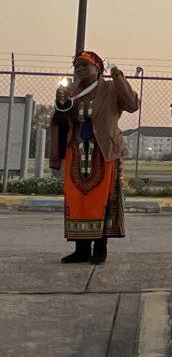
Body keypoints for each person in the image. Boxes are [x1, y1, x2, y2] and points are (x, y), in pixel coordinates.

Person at [50, 52, 138, 264]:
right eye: (77, 65)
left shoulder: (110, 88)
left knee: (104, 200)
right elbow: (61, 123)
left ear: (98, 68)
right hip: (77, 152)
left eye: (84, 65)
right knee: (77, 199)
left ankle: (100, 249)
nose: (79, 69)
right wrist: (60, 106)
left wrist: (117, 74)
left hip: (104, 152)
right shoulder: (71, 91)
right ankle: (81, 249)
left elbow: (133, 104)